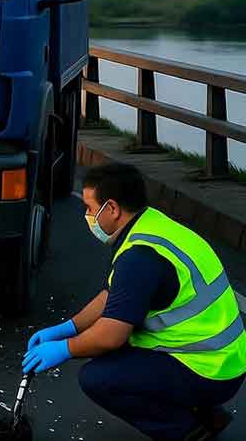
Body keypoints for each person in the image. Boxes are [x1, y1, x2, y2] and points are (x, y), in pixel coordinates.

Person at [21, 162, 246, 440]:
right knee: (112, 348)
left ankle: (187, 431)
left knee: (98, 378)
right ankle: (206, 414)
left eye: (90, 208)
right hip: (226, 359)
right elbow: (111, 296)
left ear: (112, 209)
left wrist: (65, 349)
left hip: (208, 369)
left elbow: (110, 336)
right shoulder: (152, 225)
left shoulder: (139, 257)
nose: (87, 216)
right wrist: (67, 328)